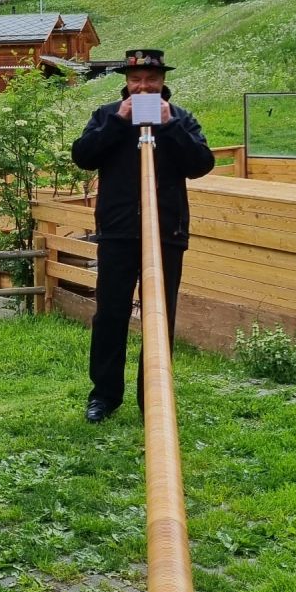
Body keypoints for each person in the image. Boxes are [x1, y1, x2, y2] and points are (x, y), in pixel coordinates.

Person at [70, 48, 215, 423]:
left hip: (167, 233)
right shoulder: (107, 115)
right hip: (118, 233)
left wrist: (170, 126)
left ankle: (152, 397)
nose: (143, 87)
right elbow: (83, 156)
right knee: (110, 315)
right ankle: (104, 396)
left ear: (162, 81)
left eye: (151, 80)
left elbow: (201, 164)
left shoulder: (181, 118)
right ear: (126, 82)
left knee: (159, 316)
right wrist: (118, 122)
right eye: (136, 80)